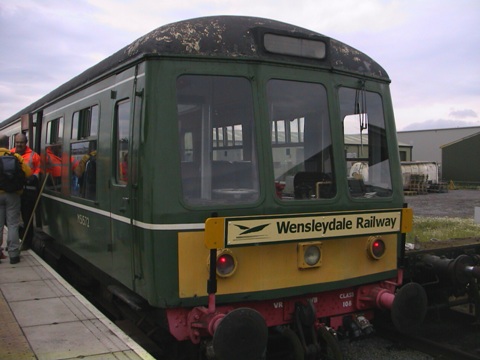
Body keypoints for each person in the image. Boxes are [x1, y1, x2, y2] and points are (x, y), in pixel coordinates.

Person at [0, 134, 32, 264]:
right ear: (8, 144)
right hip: (13, 195)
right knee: (13, 224)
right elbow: (28, 173)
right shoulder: (15, 157)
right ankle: (13, 255)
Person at [11, 133, 41, 249]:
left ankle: (27, 243)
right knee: (13, 219)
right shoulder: (11, 153)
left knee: (27, 218)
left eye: (21, 143)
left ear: (26, 143)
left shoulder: (34, 156)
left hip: (28, 192)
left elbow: (39, 169)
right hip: (14, 191)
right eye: (17, 142)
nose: (19, 145)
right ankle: (14, 242)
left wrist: (35, 176)